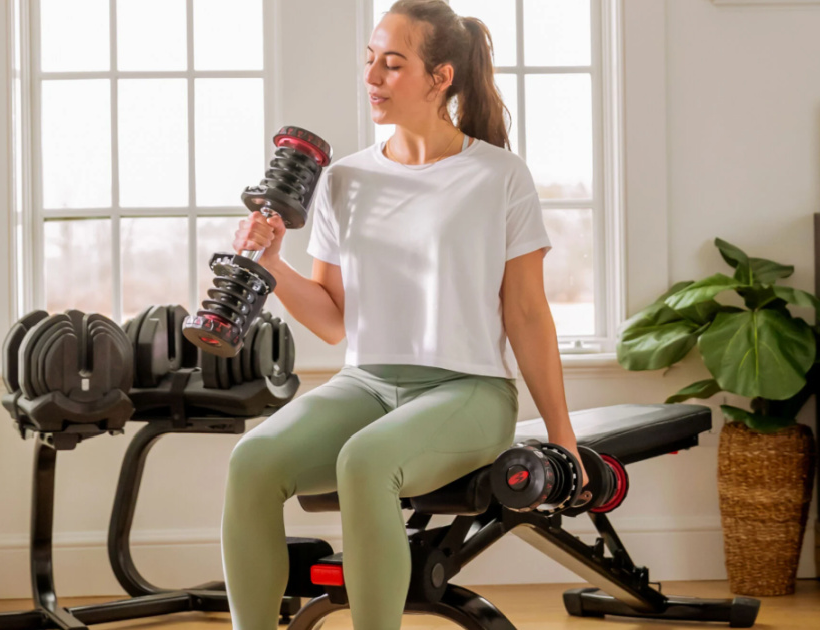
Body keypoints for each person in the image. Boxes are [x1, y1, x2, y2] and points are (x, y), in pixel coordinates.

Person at [219, 1, 588, 628]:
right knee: (251, 462)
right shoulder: (343, 180)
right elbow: (335, 320)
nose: (373, 78)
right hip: (365, 383)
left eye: (393, 65)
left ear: (440, 77)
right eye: (370, 61)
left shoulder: (497, 175)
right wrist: (276, 264)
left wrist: (562, 435)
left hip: (467, 389)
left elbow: (526, 313)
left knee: (365, 462)